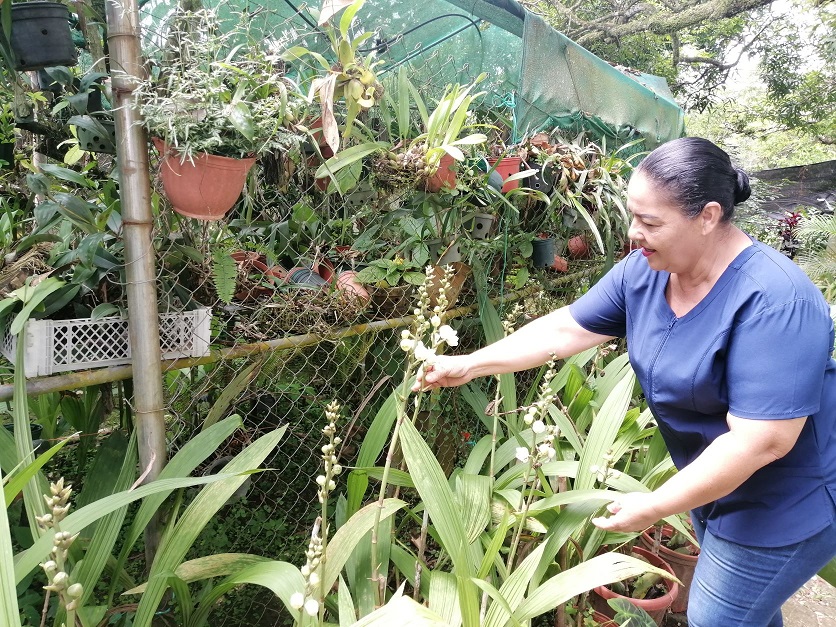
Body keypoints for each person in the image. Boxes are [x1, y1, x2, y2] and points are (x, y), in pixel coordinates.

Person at [416, 137, 836, 627]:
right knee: (750, 613)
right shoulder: (645, 272)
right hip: (711, 485)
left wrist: (654, 505)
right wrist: (471, 363)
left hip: (784, 499)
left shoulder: (777, 301)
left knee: (716, 617)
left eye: (651, 222)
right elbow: (568, 327)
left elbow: (762, 441)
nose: (634, 233)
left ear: (708, 216)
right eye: (633, 216)